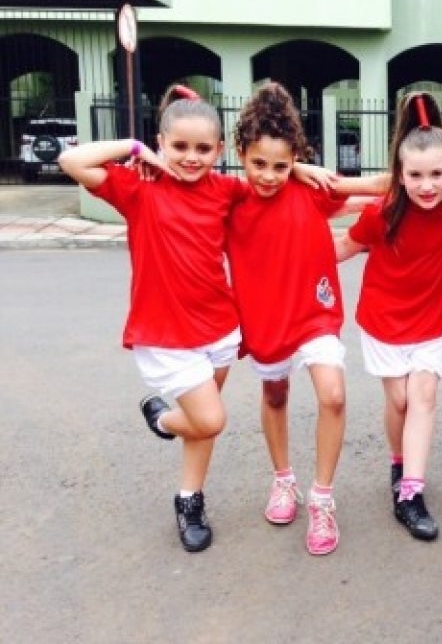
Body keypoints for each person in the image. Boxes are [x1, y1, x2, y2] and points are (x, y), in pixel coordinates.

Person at [58, 86, 246, 553]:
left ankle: (189, 499)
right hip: (165, 334)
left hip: (220, 327)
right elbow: (72, 160)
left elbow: (273, 186)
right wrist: (133, 148)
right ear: (161, 142)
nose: (191, 157)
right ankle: (162, 420)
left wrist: (306, 170)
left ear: (220, 150)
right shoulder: (138, 187)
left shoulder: (226, 191)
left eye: (203, 148)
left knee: (201, 424)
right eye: (179, 146)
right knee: (210, 419)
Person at [226, 81, 376, 556]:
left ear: (294, 158)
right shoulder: (228, 198)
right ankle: (283, 479)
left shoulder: (309, 189)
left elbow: (379, 187)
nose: (269, 176)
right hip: (263, 316)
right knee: (275, 394)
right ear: (240, 153)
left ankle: (322, 499)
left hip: (315, 311)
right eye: (259, 164)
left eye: (280, 165)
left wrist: (307, 170)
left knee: (333, 394)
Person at [336, 92, 442, 541]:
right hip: (383, 323)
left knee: (423, 396)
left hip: (430, 322)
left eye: (436, 174)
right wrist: (288, 256)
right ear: (400, 173)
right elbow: (344, 248)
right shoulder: (383, 212)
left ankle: (411, 493)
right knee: (399, 402)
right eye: (415, 175)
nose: (427, 185)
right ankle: (398, 463)